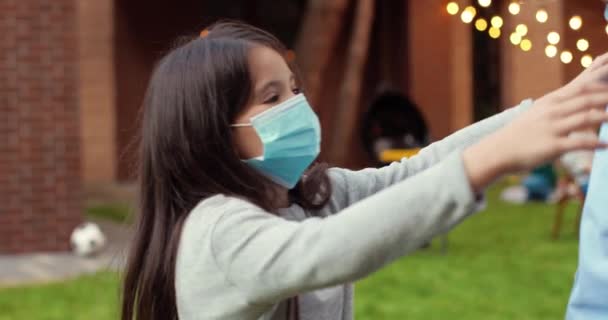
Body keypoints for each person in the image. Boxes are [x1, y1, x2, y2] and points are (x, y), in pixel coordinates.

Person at [121, 21, 608, 320]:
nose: (298, 105)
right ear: (210, 133)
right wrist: (489, 162)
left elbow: (412, 175)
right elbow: (325, 251)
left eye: (294, 88)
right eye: (272, 98)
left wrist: (551, 108)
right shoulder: (215, 232)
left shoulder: (310, 196)